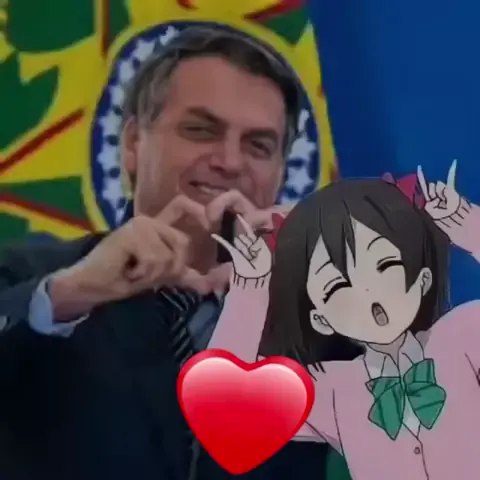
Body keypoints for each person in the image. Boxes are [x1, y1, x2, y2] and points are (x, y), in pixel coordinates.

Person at [0, 25, 343, 480]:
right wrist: (69, 295)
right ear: (132, 144)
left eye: (258, 145)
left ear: (281, 171)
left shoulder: (324, 315)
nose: (230, 161)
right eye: (200, 130)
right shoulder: (35, 279)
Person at [209, 160, 480, 480]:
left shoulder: (461, 335)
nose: (368, 291)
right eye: (337, 285)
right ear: (321, 319)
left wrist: (466, 223)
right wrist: (250, 287)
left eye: (385, 265)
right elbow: (227, 410)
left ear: (423, 279)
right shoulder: (332, 391)